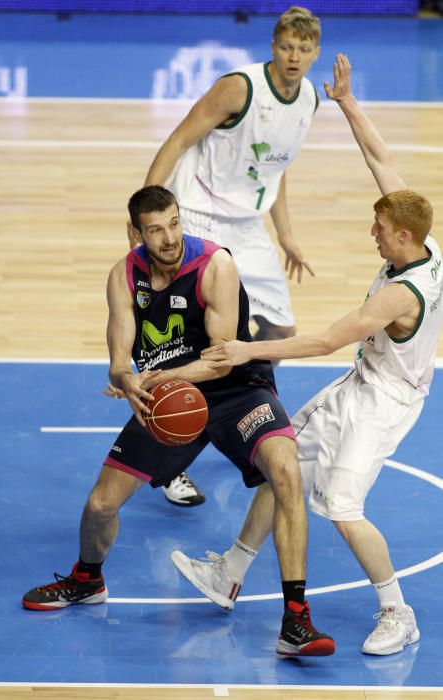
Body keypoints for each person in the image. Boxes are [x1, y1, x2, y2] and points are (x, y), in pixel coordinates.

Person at [171, 54, 443, 656]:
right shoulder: (420, 233)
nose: (371, 233)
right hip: (363, 382)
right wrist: (348, 104)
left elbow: (322, 341)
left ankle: (398, 612)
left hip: (386, 402)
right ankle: (230, 573)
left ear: (401, 237)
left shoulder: (402, 291)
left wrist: (247, 347)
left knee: (343, 509)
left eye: (378, 229)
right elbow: (381, 159)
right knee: (282, 465)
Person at [22, 185, 335, 658]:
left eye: (173, 223)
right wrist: (127, 379)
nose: (168, 238)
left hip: (236, 389)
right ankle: (87, 578)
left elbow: (220, 360)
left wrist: (160, 375)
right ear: (135, 233)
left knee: (286, 472)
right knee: (100, 505)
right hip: (168, 402)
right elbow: (118, 358)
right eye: (155, 230)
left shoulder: (215, 266)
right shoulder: (123, 277)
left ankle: (296, 620)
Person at [139, 5, 321, 507]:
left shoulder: (308, 99)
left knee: (279, 333)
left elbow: (274, 173)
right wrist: (148, 210)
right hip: (196, 215)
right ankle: (173, 451)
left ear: (315, 54)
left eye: (304, 49)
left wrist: (285, 236)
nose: (294, 56)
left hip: (246, 224)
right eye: (287, 46)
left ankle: (244, 406)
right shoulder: (238, 88)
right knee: (193, 346)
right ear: (273, 46)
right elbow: (178, 139)